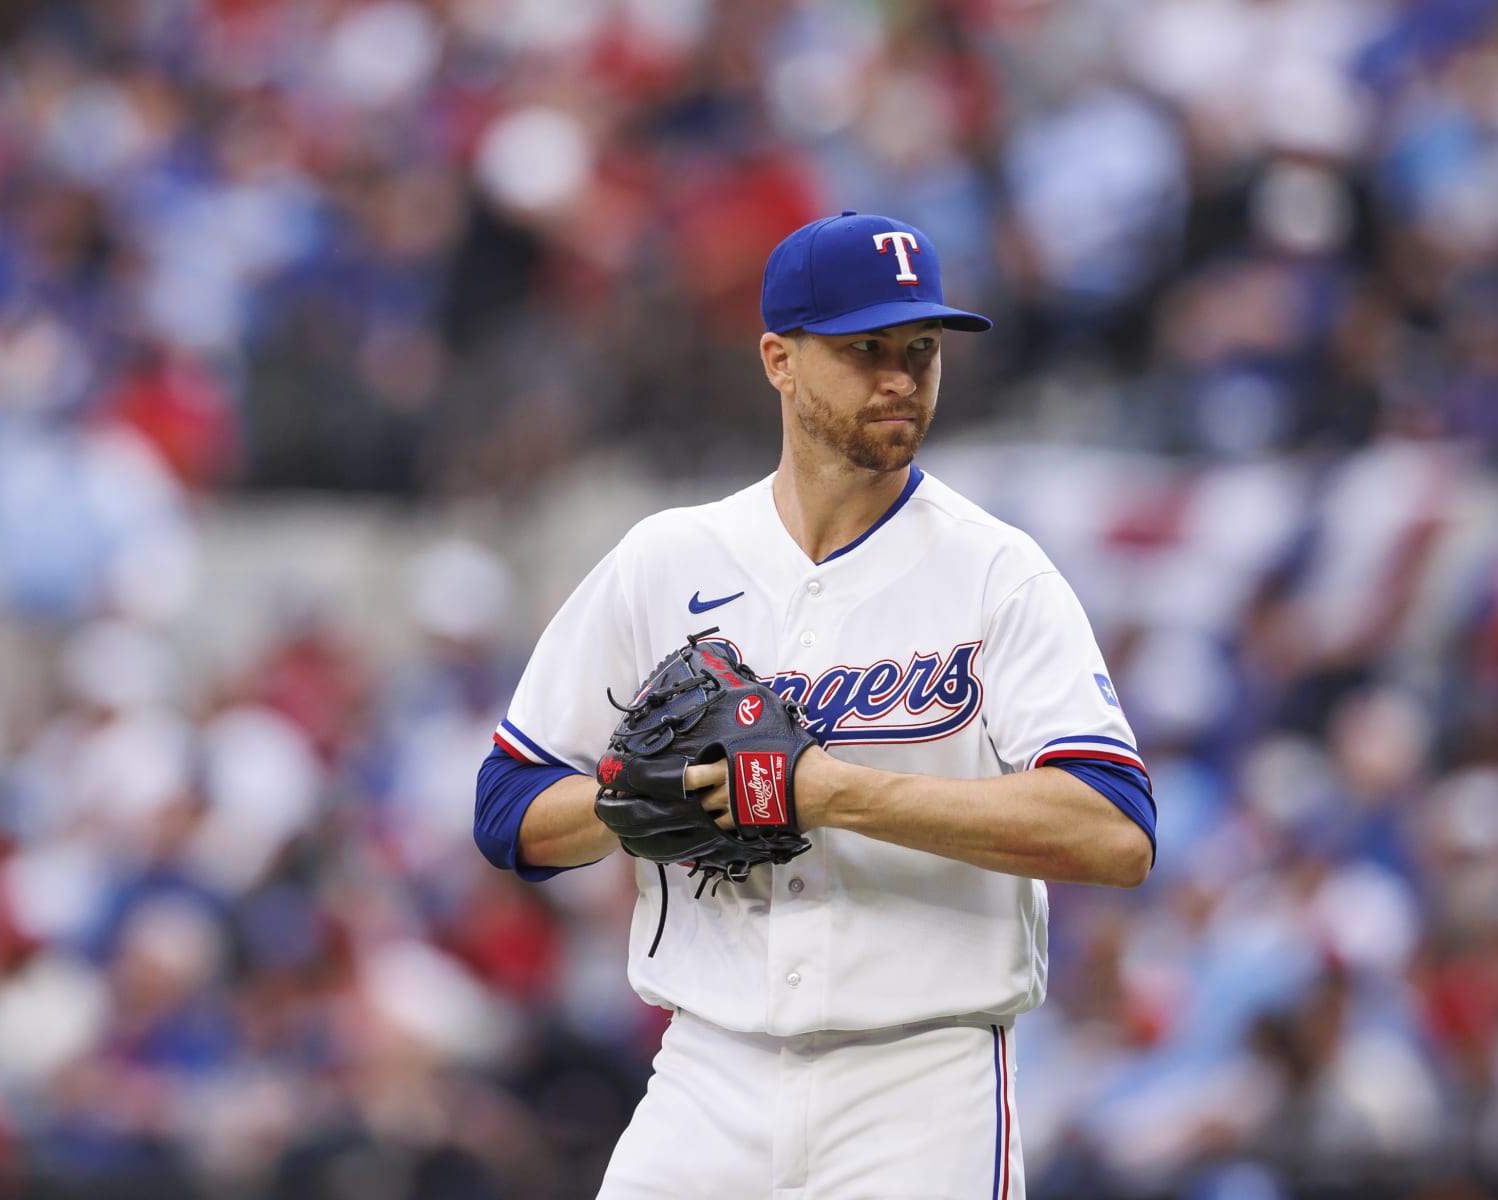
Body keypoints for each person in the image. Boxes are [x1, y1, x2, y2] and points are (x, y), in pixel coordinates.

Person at [474, 211, 1156, 1199]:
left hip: (920, 1083)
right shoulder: (668, 559)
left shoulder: (998, 572)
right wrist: (639, 799)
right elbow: (509, 812)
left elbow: (1113, 829)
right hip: (707, 1070)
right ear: (778, 361)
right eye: (864, 349)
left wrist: (825, 792)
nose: (900, 377)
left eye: (920, 350)